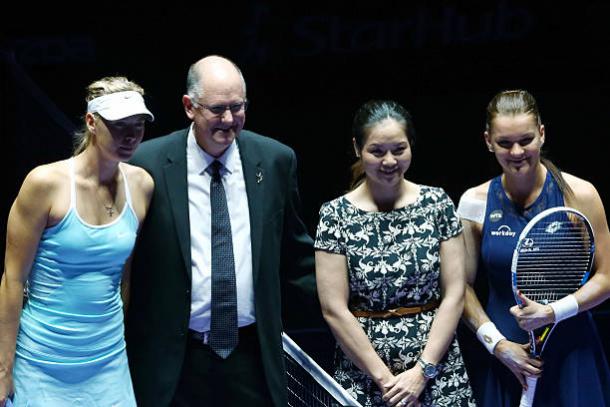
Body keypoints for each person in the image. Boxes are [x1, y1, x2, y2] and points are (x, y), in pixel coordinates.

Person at [124, 55, 315, 406]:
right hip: (175, 360)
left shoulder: (275, 161)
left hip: (251, 357)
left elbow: (297, 257)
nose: (229, 120)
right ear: (189, 107)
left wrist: (351, 306)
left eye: (237, 107)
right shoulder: (145, 165)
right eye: (217, 109)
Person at [0, 76, 155, 407]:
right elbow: (12, 281)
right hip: (42, 363)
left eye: (138, 125)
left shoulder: (142, 186)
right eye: (118, 125)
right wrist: (3, 371)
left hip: (108, 362)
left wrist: (115, 342)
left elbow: (123, 276)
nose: (130, 136)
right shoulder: (45, 183)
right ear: (91, 122)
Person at [314, 100, 475, 407]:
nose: (389, 161)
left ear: (411, 146)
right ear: (357, 148)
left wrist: (422, 373)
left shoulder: (437, 203)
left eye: (399, 149)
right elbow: (333, 308)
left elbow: (455, 293)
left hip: (437, 369)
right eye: (377, 151)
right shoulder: (335, 215)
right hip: (364, 373)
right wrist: (388, 384)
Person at [457, 89, 610, 406]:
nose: (516, 152)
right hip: (507, 359)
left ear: (541, 134)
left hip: (572, 354)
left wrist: (553, 312)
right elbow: (462, 288)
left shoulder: (579, 195)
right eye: (504, 143)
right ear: (488, 141)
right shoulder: (473, 203)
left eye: (526, 140)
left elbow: (607, 277)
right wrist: (498, 345)